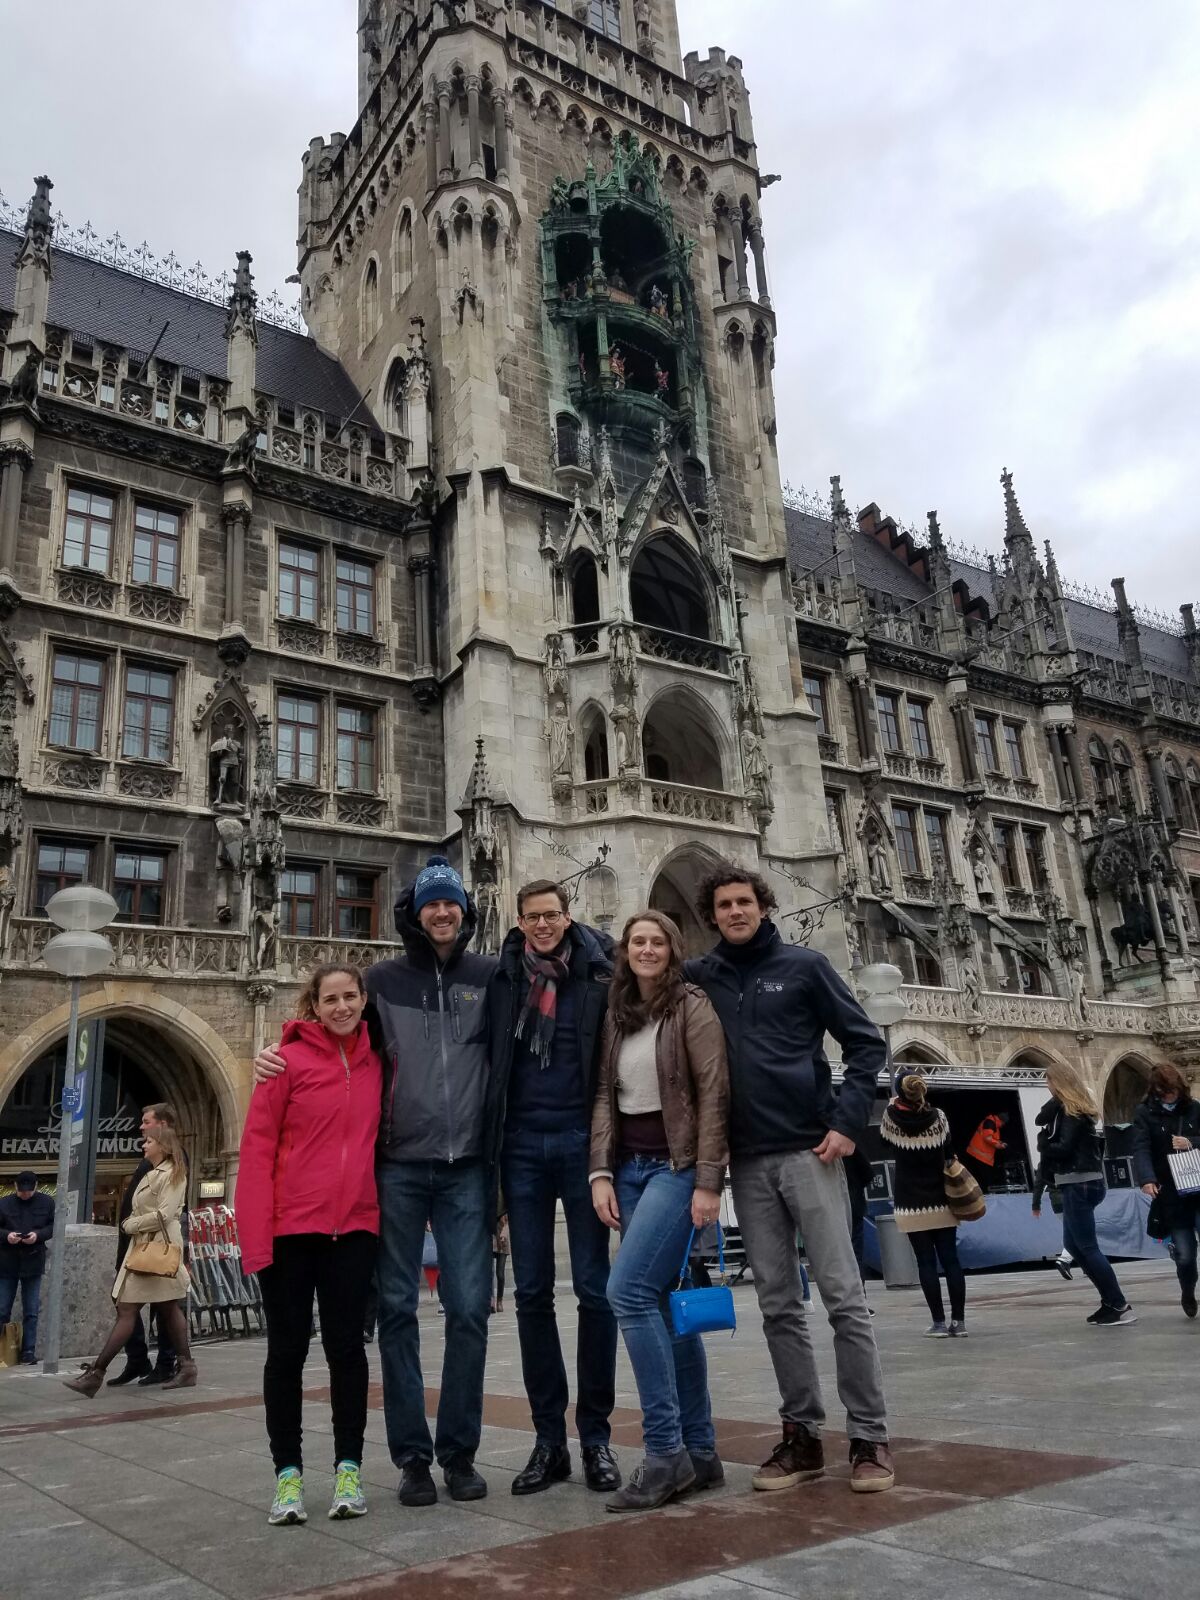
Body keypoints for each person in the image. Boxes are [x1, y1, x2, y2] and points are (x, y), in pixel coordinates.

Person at [255, 855, 497, 1507]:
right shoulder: (381, 982)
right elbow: (331, 1039)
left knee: (469, 1309)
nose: (441, 912)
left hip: (469, 1165)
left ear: (466, 911)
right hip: (397, 1166)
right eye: (431, 903)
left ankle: (460, 1452)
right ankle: (413, 1457)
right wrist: (276, 1050)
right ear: (414, 913)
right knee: (396, 1310)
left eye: (451, 903)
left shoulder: (490, 976)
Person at [684, 861, 894, 1494]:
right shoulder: (702, 976)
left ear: (763, 906)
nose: (735, 912)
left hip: (812, 1151)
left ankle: (869, 1436)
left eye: (744, 902)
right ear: (711, 915)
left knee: (843, 1297)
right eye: (723, 905)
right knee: (777, 1304)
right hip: (747, 1161)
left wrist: (849, 1123)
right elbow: (638, 968)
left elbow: (865, 1043)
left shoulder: (805, 967)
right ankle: (802, 1436)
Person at [590, 910, 729, 1512]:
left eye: (657, 942)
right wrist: (600, 1170)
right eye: (636, 942)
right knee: (668, 1307)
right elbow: (604, 1095)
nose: (646, 950)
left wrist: (709, 1181)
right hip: (629, 1169)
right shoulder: (619, 1011)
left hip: (677, 1168)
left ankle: (665, 1450)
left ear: (673, 950)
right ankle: (700, 1450)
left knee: (627, 1293)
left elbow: (714, 1092)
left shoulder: (691, 1005)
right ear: (625, 951)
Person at [486, 879, 621, 1496]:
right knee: (532, 1294)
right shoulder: (502, 977)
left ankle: (595, 1437)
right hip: (520, 1148)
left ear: (569, 918)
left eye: (551, 915)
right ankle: (549, 1441)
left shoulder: (601, 971)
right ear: (519, 922)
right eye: (532, 917)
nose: (542, 925)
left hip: (582, 1144)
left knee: (595, 1291)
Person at [237, 964, 383, 1526]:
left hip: (354, 1228)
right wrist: (255, 1238)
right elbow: (256, 1152)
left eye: (350, 996)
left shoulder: (378, 1061)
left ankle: (349, 1469)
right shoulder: (285, 1063)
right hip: (291, 1230)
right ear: (314, 1006)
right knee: (287, 1352)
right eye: (330, 999)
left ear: (364, 1000)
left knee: (347, 1350)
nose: (341, 1007)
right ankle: (288, 1475)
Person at [63, 1126, 196, 1394]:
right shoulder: (154, 1172)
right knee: (164, 1308)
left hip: (156, 1250)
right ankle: (186, 1367)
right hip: (146, 1249)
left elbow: (165, 1214)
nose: (144, 1145)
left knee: (132, 1309)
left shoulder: (172, 1173)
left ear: (163, 1145)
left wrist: (129, 1225)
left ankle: (96, 1373)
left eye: (149, 1141)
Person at [1032, 1063, 1135, 1327]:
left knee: (1087, 1247)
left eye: (1049, 1081)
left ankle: (1118, 1304)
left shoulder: (1072, 1112)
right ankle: (1109, 1302)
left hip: (1080, 1182)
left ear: (1058, 1083)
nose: (1047, 1086)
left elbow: (1064, 1148)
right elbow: (1045, 1122)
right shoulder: (1068, 1109)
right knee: (1076, 1247)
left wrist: (1043, 1144)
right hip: (1077, 1182)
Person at [880, 1074, 967, 1337]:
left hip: (910, 1202)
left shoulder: (891, 1118)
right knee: (951, 1260)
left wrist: (893, 1106)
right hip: (942, 1197)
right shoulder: (939, 1117)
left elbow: (884, 1143)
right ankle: (959, 1322)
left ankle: (938, 1323)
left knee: (925, 1262)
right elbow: (949, 1151)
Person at [107, 1103, 184, 1387]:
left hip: (153, 1245)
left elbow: (166, 1212)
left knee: (161, 1306)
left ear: (162, 1126)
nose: (141, 1127)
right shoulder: (151, 1163)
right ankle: (141, 1359)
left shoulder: (170, 1164)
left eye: (146, 1122)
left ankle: (167, 1362)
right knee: (132, 1303)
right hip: (136, 1244)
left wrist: (131, 1224)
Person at [1132, 1063, 1200, 1318]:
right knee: (1185, 1256)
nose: (1171, 1096)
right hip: (1172, 1192)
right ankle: (1188, 1290)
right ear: (1156, 1090)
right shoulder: (1144, 1113)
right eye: (1165, 1092)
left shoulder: (1194, 1109)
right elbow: (1141, 1147)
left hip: (1198, 1186)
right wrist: (1147, 1178)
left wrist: (1192, 1142)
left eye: (1174, 1091)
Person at [0, 1171, 54, 1364]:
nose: (25, 1194)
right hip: (7, 1262)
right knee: (2, 1309)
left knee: (31, 1311)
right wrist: (7, 1236)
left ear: (36, 1187)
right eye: (22, 1191)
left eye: (29, 1191)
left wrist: (37, 1236)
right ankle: (1, 1351)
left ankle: (28, 1352)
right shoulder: (4, 1204)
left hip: (33, 1261)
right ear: (15, 1187)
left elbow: (52, 1227)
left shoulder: (47, 1203)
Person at [965, 1111, 1007, 1191]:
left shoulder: (993, 1123)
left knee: (981, 1178)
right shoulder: (990, 1123)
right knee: (984, 1179)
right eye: (1003, 1124)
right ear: (1001, 1121)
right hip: (979, 1155)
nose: (1003, 1126)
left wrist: (1000, 1142)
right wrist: (999, 1145)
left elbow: (993, 1138)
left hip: (980, 1156)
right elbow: (987, 1138)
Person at [491, 1216, 509, 1314]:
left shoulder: (503, 1208)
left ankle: (499, 1301)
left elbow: (508, 1221)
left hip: (503, 1239)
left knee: (500, 1274)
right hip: (489, 1238)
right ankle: (491, 1301)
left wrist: (504, 1234)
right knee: (489, 1273)